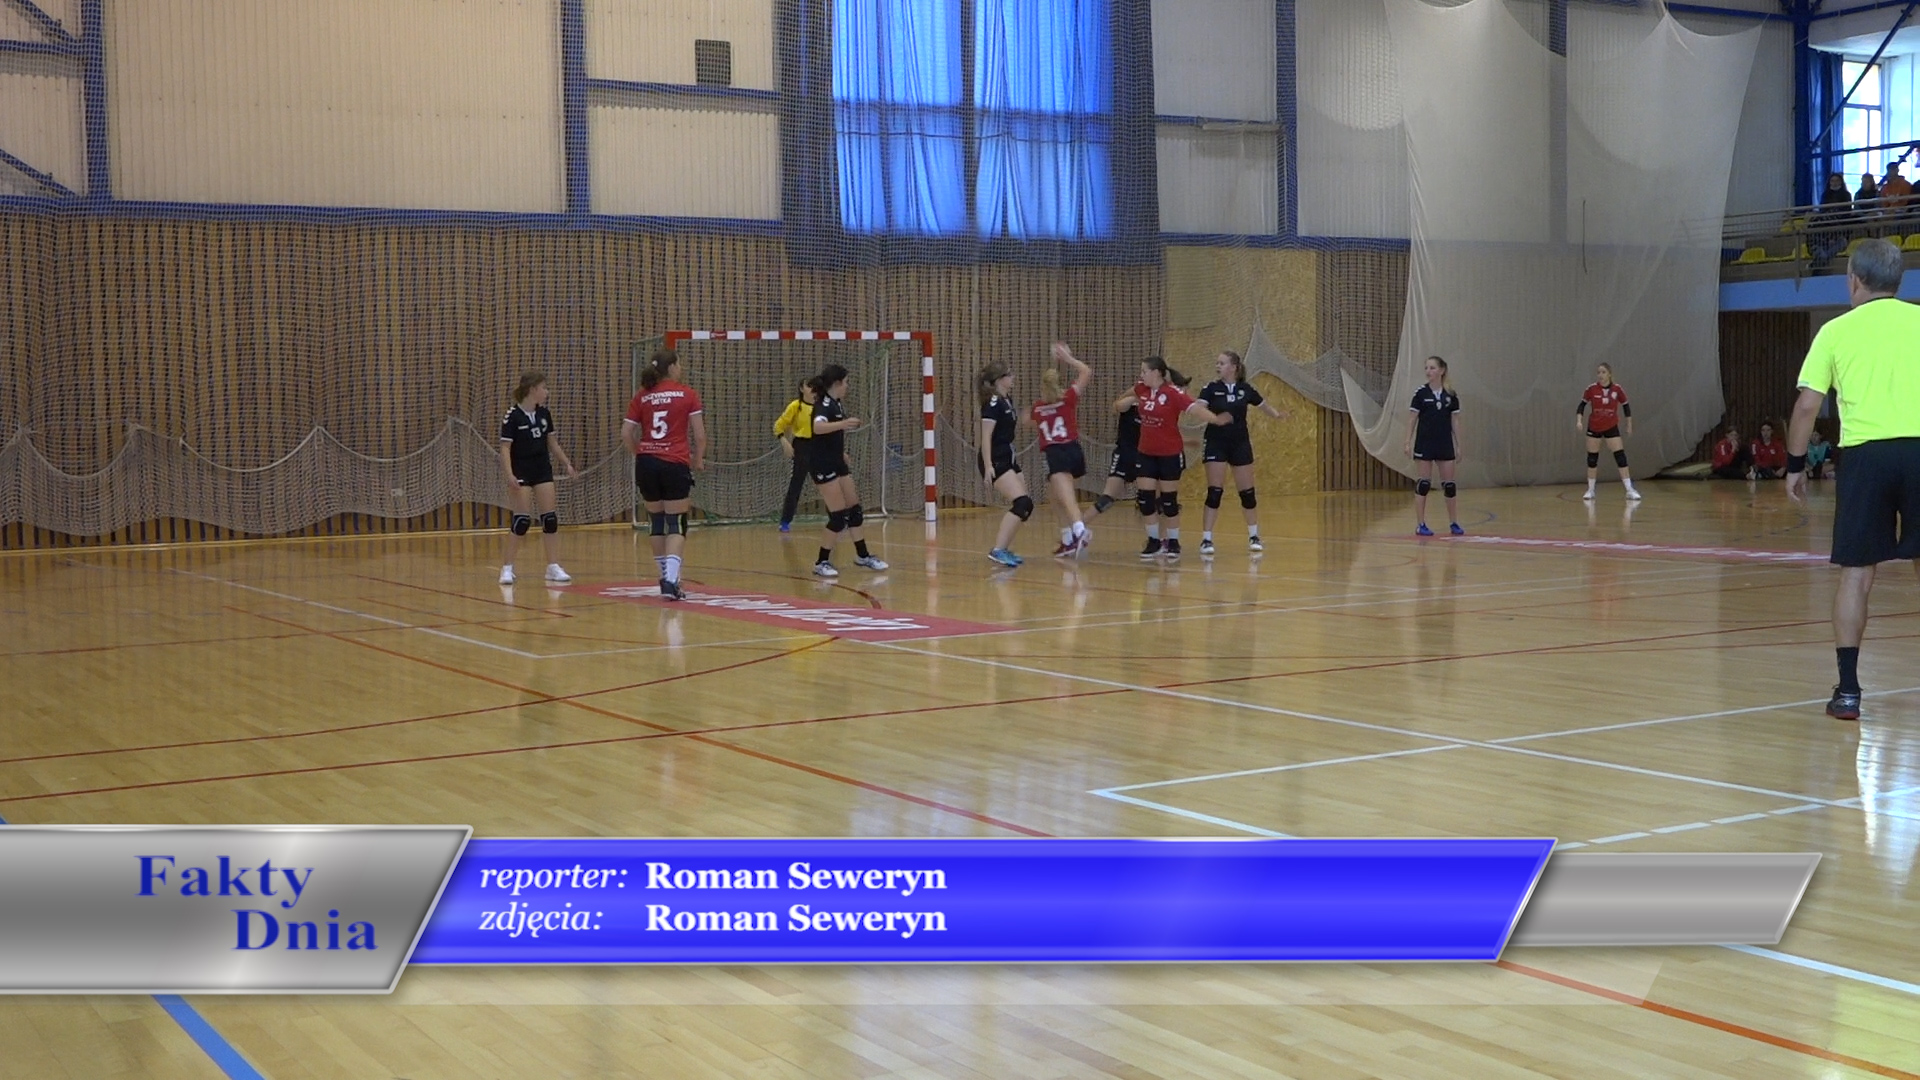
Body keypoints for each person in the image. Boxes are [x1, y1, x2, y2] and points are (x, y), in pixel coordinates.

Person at [1785, 237, 1920, 721]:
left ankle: (1847, 693)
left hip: (1865, 457)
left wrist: (1796, 466)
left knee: (1857, 574)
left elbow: (1807, 406)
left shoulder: (1835, 331)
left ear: (1854, 280)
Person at [622, 349, 706, 600]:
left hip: (646, 463)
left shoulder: (643, 395)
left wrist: (641, 453)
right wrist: (698, 459)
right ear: (671, 368)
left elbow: (626, 433)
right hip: (674, 463)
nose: (681, 368)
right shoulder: (687, 394)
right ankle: (671, 580)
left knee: (656, 521)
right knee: (677, 523)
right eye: (679, 364)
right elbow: (700, 435)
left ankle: (665, 577)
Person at [1132, 358, 1228, 561]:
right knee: (1145, 499)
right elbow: (1128, 397)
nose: (1141, 375)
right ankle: (1153, 541)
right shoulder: (1141, 389)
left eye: (1144, 371)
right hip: (1145, 452)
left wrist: (1216, 419)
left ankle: (1173, 541)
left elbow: (1194, 408)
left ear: (1157, 373)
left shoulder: (1173, 394)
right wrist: (1120, 403)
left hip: (1169, 453)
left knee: (1168, 501)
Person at [1197, 350, 1288, 555]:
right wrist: (1216, 419)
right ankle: (1206, 539)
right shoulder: (1210, 388)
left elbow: (1263, 405)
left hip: (1239, 443)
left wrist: (1277, 415)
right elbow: (1197, 409)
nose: (1218, 366)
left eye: (1222, 363)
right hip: (1216, 443)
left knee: (1247, 493)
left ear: (1234, 367)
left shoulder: (1245, 389)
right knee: (1214, 492)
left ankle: (1254, 536)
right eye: (1217, 363)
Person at [807, 365, 888, 578]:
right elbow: (817, 428)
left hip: (836, 461)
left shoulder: (837, 403)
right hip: (822, 464)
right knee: (837, 517)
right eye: (846, 382)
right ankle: (821, 562)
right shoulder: (824, 405)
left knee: (855, 511)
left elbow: (829, 437)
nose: (847, 386)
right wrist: (844, 423)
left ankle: (863, 555)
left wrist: (840, 452)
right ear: (837, 383)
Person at [498, 370, 578, 586]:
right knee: (522, 520)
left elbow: (552, 442)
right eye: (544, 388)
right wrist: (509, 474)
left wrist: (566, 463)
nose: (546, 392)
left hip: (542, 470)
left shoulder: (544, 414)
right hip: (521, 471)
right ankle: (507, 568)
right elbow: (505, 448)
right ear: (532, 389)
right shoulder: (512, 416)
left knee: (550, 519)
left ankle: (553, 566)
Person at [1032, 342, 1094, 558]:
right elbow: (1086, 371)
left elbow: (1026, 420)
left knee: (1067, 498)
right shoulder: (1068, 398)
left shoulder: (1037, 408)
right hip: (1074, 450)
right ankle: (1068, 540)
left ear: (1042, 388)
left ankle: (1080, 531)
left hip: (1056, 453)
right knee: (1054, 496)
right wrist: (1069, 359)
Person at [977, 361, 1032, 568]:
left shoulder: (1006, 400)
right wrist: (988, 466)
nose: (1013, 377)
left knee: (1027, 505)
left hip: (1008, 456)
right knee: (1021, 502)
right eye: (1009, 374)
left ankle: (1004, 548)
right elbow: (985, 437)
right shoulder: (993, 404)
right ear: (1000, 380)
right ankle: (998, 550)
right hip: (996, 457)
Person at [1404, 356, 1463, 536]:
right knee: (1423, 483)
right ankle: (1421, 524)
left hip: (1444, 443)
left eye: (1432, 368)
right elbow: (1412, 419)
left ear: (1441, 370)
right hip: (1425, 443)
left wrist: (1459, 445)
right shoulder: (1421, 394)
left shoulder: (1450, 395)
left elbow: (1455, 421)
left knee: (1449, 485)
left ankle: (1453, 523)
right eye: (1427, 368)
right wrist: (1407, 441)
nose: (1428, 371)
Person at [1576, 363, 1641, 501]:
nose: (1600, 375)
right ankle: (1590, 490)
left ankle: (1629, 489)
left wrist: (1629, 425)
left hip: (1611, 426)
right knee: (1592, 459)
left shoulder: (1617, 389)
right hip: (1594, 427)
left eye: (1603, 372)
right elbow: (1581, 405)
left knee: (1620, 457)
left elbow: (1626, 406)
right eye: (1598, 372)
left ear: (1609, 374)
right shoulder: (1591, 389)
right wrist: (1579, 421)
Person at [772, 378, 815, 532]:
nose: (813, 389)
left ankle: (838, 519)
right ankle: (785, 521)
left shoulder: (822, 407)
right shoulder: (796, 406)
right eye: (809, 386)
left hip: (820, 446)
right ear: (801, 388)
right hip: (802, 446)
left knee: (828, 483)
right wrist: (784, 441)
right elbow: (778, 426)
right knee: (796, 483)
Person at [1811, 173, 1854, 265]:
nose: (1835, 183)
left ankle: (1822, 260)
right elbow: (1822, 211)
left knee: (1840, 243)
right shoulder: (1825, 195)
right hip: (1825, 227)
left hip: (1841, 226)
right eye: (1832, 181)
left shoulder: (1846, 195)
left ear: (1841, 182)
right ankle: (1822, 259)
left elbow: (1846, 212)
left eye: (1837, 181)